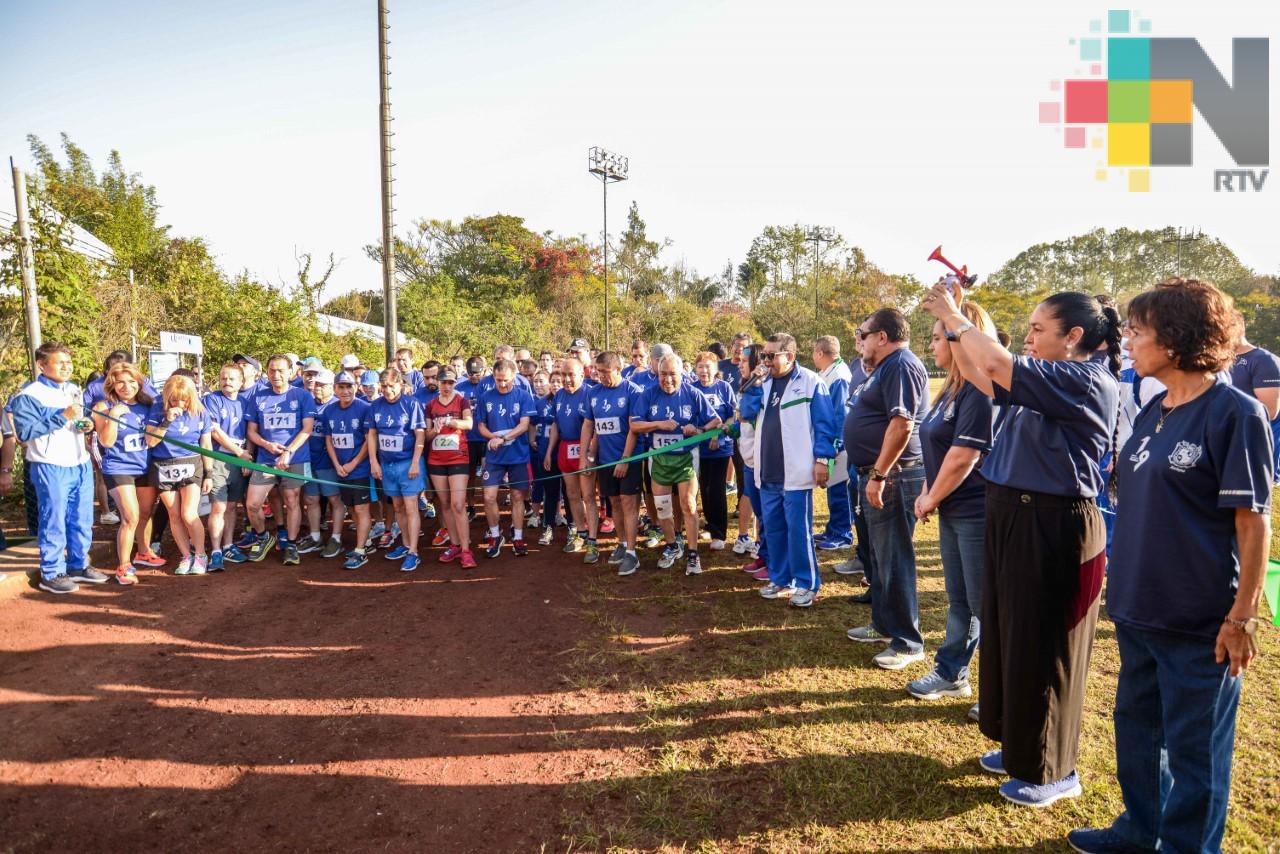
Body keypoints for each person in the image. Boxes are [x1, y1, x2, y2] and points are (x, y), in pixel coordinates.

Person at [1068, 280, 1273, 854]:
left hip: (1199, 621)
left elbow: (1253, 522)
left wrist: (1243, 617)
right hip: (1138, 608)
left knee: (1195, 753)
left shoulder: (1235, 412)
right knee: (1136, 731)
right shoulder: (1156, 407)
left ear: (1178, 338)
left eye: (1138, 330)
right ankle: (1140, 829)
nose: (1126, 340)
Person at [925, 283, 1120, 808]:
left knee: (1046, 647)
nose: (1029, 337)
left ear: (1074, 336)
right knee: (1012, 636)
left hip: (1055, 525)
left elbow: (994, 358)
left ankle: (1053, 770)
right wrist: (952, 322)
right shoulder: (1045, 382)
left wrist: (956, 316)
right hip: (1015, 515)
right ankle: (1019, 745)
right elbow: (976, 370)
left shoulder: (1082, 380)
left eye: (1038, 329)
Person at [908, 302, 997, 716]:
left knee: (986, 606)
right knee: (960, 599)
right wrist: (929, 489)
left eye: (935, 335)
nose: (931, 343)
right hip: (953, 511)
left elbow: (964, 457)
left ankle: (998, 692)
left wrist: (930, 497)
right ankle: (951, 672)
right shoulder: (950, 389)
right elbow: (939, 452)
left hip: (978, 512)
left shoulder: (979, 393)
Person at [843, 309, 930, 669]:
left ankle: (908, 642)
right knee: (878, 556)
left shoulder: (900, 364)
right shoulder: (884, 367)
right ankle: (883, 623)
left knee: (893, 557)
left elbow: (902, 424)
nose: (859, 339)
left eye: (863, 333)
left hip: (894, 475)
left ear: (882, 335)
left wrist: (879, 474)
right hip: (878, 473)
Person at [9, 342, 106, 593]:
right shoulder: (29, 395)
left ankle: (78, 564)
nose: (67, 366)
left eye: (68, 362)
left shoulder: (73, 389)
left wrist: (85, 424)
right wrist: (61, 416)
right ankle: (51, 572)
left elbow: (77, 420)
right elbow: (26, 431)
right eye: (59, 362)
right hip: (50, 464)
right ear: (42, 365)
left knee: (82, 518)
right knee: (54, 519)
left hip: (79, 462)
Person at [753, 333, 838, 608]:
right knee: (774, 529)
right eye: (763, 355)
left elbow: (827, 425)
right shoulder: (762, 384)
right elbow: (744, 413)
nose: (765, 361)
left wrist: (823, 460)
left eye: (770, 356)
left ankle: (806, 583)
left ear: (789, 356)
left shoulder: (811, 382)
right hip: (768, 471)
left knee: (798, 531)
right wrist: (752, 384)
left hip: (796, 472)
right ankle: (781, 578)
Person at [631, 354, 722, 575]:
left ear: (681, 373)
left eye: (673, 374)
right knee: (663, 508)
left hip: (686, 458)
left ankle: (693, 554)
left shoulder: (692, 393)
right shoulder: (649, 394)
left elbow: (717, 421)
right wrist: (658, 424)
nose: (668, 379)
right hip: (659, 459)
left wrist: (698, 430)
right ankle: (672, 546)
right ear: (657, 374)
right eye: (663, 374)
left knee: (688, 505)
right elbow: (634, 425)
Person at [243, 354, 316, 565]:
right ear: (267, 372)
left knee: (292, 501)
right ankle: (264, 536)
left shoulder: (302, 396)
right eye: (272, 370)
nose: (276, 375)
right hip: (266, 459)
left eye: (281, 370)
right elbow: (252, 432)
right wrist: (267, 445)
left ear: (292, 372)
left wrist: (288, 452)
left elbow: (307, 429)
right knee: (253, 504)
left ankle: (291, 545)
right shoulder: (258, 397)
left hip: (295, 458)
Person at [91, 362, 159, 584]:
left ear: (139, 383)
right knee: (130, 517)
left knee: (146, 513)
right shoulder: (103, 407)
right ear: (112, 384)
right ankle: (123, 566)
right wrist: (115, 416)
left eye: (131, 382)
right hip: (119, 467)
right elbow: (106, 441)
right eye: (120, 382)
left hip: (145, 466)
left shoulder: (149, 405)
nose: (126, 386)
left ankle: (144, 552)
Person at [145, 373, 213, 575]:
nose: (180, 403)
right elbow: (150, 441)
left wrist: (208, 473)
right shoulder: (157, 408)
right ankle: (185, 556)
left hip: (191, 463)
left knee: (188, 513)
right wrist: (166, 421)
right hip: (163, 465)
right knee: (174, 515)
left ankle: (200, 554)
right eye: (175, 399)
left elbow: (206, 444)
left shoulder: (200, 411)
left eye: (184, 399)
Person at [582, 352, 643, 576]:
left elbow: (634, 429)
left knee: (628, 503)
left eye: (606, 372)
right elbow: (590, 426)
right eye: (598, 372)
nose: (601, 377)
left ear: (618, 369)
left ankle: (632, 553)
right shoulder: (594, 392)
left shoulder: (632, 392)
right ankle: (621, 542)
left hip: (629, 458)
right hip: (604, 460)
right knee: (614, 503)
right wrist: (586, 456)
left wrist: (625, 459)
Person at [367, 367, 426, 571]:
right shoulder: (375, 406)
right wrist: (374, 461)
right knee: (397, 506)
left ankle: (414, 552)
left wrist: (415, 462)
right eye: (384, 386)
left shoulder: (412, 404)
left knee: (410, 506)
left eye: (391, 386)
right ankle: (406, 543)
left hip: (407, 462)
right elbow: (372, 434)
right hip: (387, 464)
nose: (387, 390)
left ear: (400, 384)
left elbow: (419, 434)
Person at [477, 359, 536, 557]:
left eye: (506, 380)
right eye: (498, 380)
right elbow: (481, 425)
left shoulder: (523, 396)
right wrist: (492, 437)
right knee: (488, 496)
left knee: (518, 496)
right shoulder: (486, 397)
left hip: (518, 455)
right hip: (494, 457)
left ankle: (518, 537)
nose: (502, 384)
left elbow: (524, 424)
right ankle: (495, 535)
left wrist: (503, 438)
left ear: (514, 376)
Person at [203, 362, 252, 568]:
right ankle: (215, 550)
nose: (227, 382)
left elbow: (250, 431)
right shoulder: (212, 399)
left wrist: (247, 457)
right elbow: (215, 432)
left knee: (232, 506)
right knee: (218, 506)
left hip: (239, 459)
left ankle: (228, 545)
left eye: (232, 378)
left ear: (241, 382)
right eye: (223, 377)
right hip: (220, 458)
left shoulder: (244, 403)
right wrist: (239, 453)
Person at [426, 367, 477, 568]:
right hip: (436, 459)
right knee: (445, 503)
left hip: (458, 457)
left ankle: (466, 549)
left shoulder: (461, 401)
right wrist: (435, 430)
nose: (447, 386)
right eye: (443, 382)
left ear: (455, 383)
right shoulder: (430, 405)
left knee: (458, 504)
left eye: (450, 383)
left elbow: (469, 424)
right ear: (437, 383)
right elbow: (428, 435)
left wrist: (451, 421)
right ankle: (455, 545)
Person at [324, 371, 375, 569]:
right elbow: (329, 439)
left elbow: (368, 439)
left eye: (349, 386)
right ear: (335, 388)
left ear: (356, 387)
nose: (345, 391)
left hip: (360, 469)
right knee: (351, 508)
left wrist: (354, 463)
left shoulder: (364, 408)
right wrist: (337, 464)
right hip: (341, 469)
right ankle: (367, 541)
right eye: (341, 387)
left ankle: (360, 550)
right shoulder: (329, 410)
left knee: (362, 508)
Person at [544, 356, 593, 554]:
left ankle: (592, 538)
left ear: (582, 374)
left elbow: (594, 427)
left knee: (588, 495)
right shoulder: (559, 395)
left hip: (584, 448)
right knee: (571, 494)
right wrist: (549, 451)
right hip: (565, 448)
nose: (566, 379)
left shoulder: (590, 393)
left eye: (571, 375)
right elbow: (555, 424)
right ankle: (580, 532)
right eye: (563, 375)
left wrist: (588, 452)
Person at [812, 335, 855, 551]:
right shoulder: (830, 372)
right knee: (832, 486)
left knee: (839, 487)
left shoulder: (838, 375)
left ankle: (842, 533)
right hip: (833, 440)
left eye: (813, 352)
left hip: (840, 442)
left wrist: (836, 444)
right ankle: (833, 528)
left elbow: (841, 412)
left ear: (820, 353)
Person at [692, 351, 737, 549]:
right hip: (698, 448)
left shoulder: (724, 388)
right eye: (700, 367)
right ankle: (709, 525)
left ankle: (720, 533)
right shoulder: (691, 389)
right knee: (704, 488)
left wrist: (717, 435)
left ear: (715, 369)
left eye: (708, 366)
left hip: (720, 447)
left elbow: (731, 417)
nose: (704, 371)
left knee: (717, 489)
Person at [1229, 316, 1280, 483]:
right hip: (1226, 435)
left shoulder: (1264, 360)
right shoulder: (1219, 360)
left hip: (1254, 438)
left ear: (1241, 327)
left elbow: (1270, 413)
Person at [301, 369, 344, 557]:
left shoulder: (336, 405)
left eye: (322, 385)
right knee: (311, 499)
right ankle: (315, 536)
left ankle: (336, 538)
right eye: (316, 384)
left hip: (329, 461)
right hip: (310, 459)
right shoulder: (308, 402)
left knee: (335, 499)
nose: (317, 388)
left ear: (331, 387)